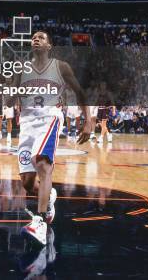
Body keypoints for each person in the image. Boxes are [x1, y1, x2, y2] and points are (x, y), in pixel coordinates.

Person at [16, 31, 91, 246]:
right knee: (28, 184)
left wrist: (88, 120)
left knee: (42, 164)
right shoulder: (23, 68)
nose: (36, 39)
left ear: (49, 45)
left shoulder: (61, 67)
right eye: (33, 38)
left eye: (41, 37)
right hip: (27, 123)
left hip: (50, 117)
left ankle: (39, 223)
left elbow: (80, 92)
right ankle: (48, 197)